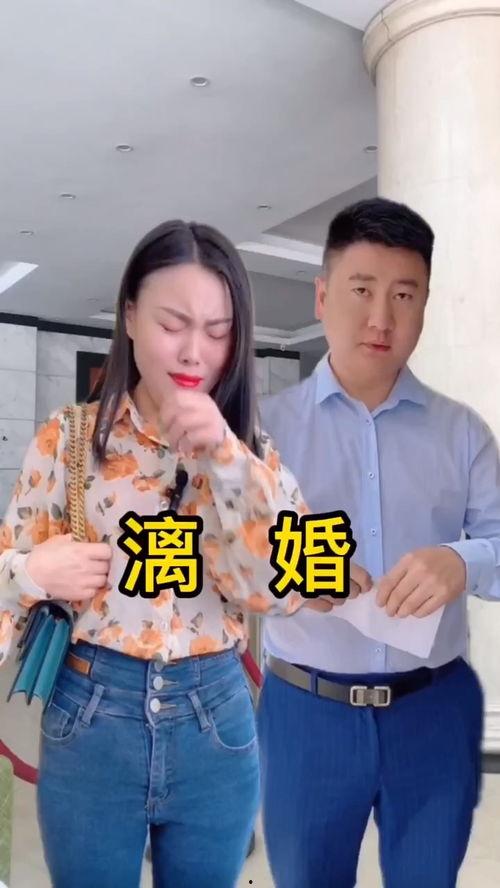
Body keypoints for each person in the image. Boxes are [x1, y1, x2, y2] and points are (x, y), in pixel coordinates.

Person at [0, 219, 369, 888]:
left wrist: (227, 459)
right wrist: (31, 573)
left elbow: (292, 585)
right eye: (173, 324)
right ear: (130, 316)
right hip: (91, 714)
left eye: (218, 331)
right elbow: (9, 578)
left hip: (215, 720)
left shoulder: (251, 449)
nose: (195, 351)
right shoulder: (68, 441)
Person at [258, 197, 500, 888]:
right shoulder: (260, 433)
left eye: (404, 295)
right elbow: (210, 559)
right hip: (306, 714)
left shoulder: (462, 433)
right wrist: (286, 576)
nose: (381, 319)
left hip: (434, 712)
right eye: (362, 290)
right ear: (322, 295)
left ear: (425, 304)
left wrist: (464, 561)